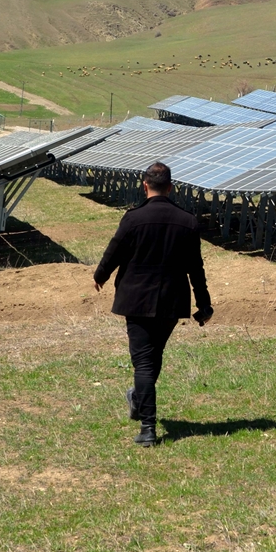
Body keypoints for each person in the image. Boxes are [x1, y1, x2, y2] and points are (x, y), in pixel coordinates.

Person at [94, 162, 212, 446]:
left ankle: (148, 427)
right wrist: (204, 303)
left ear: (144, 185)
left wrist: (101, 274)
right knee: (153, 356)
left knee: (144, 364)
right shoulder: (188, 221)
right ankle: (137, 397)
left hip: (136, 299)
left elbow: (115, 249)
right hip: (172, 300)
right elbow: (195, 268)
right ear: (170, 188)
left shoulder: (133, 219)